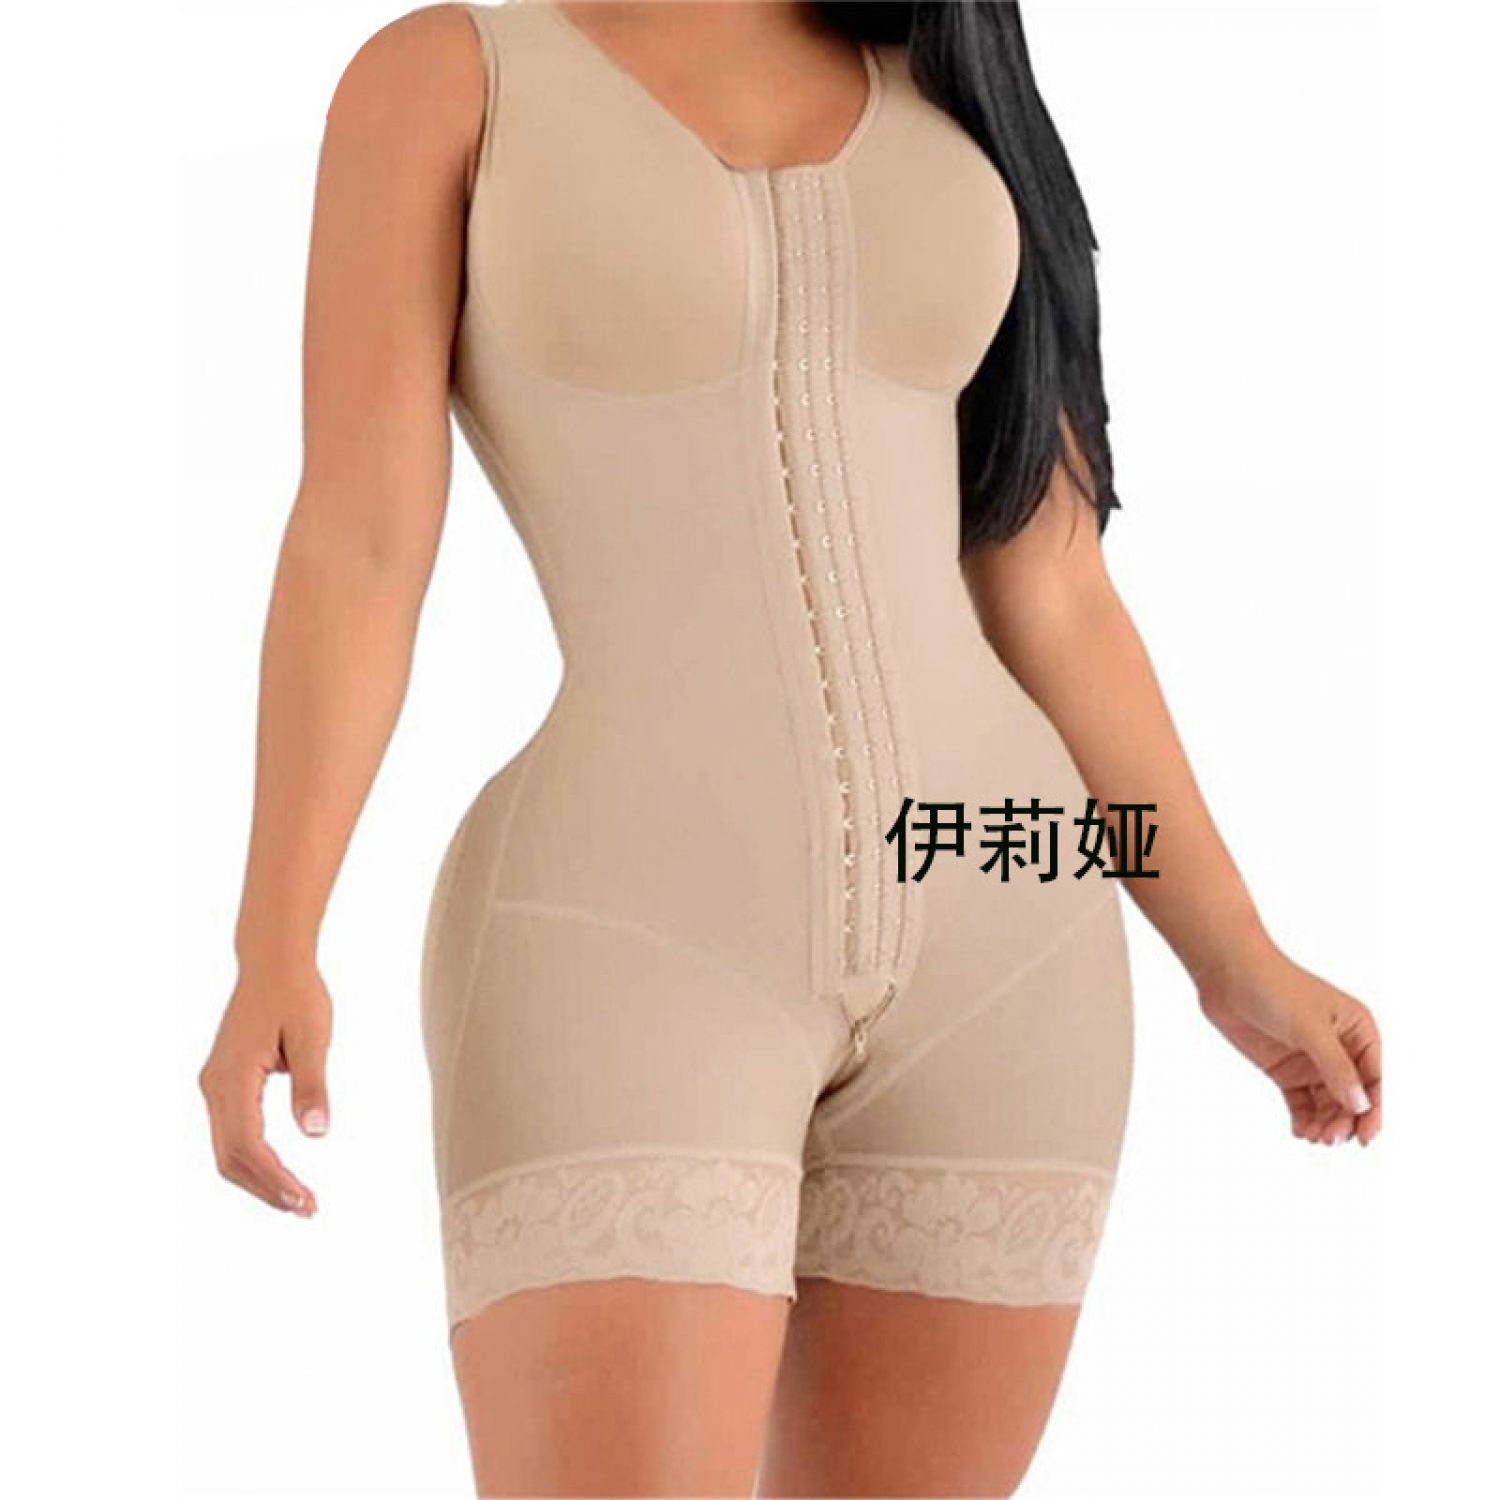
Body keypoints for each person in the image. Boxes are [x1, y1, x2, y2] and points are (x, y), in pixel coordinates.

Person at [197, 2, 1384, 1493]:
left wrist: (1233, 947)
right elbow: (362, 541)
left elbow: (1059, 590)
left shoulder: (954, 77)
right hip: (627, 930)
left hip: (1012, 930)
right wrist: (274, 935)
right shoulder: (451, 74)